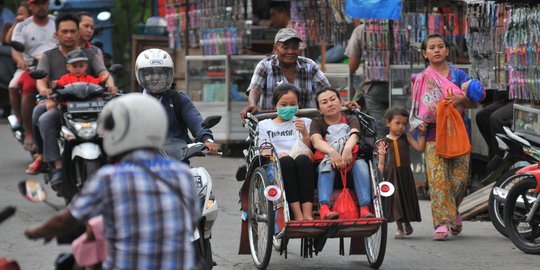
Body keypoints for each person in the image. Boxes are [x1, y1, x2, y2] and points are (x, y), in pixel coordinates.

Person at [25, 93, 200, 270]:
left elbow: (66, 221)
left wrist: (37, 231)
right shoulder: (182, 174)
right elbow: (191, 222)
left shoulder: (109, 178)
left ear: (119, 131)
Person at [28, 13, 115, 190]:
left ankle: (115, 160)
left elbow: (104, 73)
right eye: (64, 31)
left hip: (92, 106)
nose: (69, 35)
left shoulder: (90, 54)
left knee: (116, 118)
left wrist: (111, 85)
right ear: (56, 34)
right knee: (43, 118)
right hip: (61, 105)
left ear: (78, 32)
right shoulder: (49, 56)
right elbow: (41, 79)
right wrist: (45, 92)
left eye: (72, 31)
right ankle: (54, 164)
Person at [409, 34, 483, 241]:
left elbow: (474, 104)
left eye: (440, 46)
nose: (436, 50)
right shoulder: (421, 79)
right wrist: (419, 124)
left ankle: (453, 210)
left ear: (447, 50)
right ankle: (441, 223)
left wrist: (463, 98)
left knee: (459, 181)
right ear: (425, 54)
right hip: (433, 134)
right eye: (431, 47)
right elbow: (416, 107)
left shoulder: (459, 76)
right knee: (438, 180)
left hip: (458, 133)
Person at [135, 48, 219, 156]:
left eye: (161, 73)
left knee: (199, 173)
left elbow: (196, 122)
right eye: (150, 73)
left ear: (169, 74)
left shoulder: (178, 100)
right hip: (142, 163)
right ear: (141, 75)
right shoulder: (132, 102)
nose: (156, 77)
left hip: (177, 163)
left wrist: (207, 140)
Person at [310, 87, 374, 220]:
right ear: (319, 109)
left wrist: (346, 150)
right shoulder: (316, 122)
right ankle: (324, 208)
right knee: (325, 165)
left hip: (350, 169)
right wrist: (332, 152)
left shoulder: (351, 118)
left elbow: (354, 135)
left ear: (340, 102)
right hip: (328, 168)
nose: (330, 104)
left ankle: (364, 208)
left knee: (361, 164)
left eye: (333, 99)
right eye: (324, 102)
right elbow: (316, 142)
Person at [240, 27, 331, 119]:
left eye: (295, 47)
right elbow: (255, 88)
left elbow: (326, 89)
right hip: (272, 125)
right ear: (275, 49)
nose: (290, 52)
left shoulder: (309, 65)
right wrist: (252, 104)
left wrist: (341, 102)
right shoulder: (265, 65)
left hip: (304, 124)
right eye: (285, 47)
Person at [257, 83, 314, 220]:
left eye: (292, 103)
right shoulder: (264, 125)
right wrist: (275, 155)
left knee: (302, 159)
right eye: (283, 104)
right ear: (275, 105)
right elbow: (263, 151)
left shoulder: (305, 122)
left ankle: (307, 213)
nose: (288, 108)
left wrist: (305, 134)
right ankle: (298, 214)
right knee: (286, 162)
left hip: (303, 165)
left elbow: (311, 150)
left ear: (298, 104)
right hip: (278, 166)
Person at [8, 0, 56, 152]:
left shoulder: (58, 21)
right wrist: (20, 60)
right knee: (17, 87)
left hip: (58, 65)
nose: (41, 7)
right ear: (31, 7)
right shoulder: (23, 26)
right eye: (37, 3)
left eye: (44, 3)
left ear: (48, 5)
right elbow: (15, 47)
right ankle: (26, 129)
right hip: (31, 67)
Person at [378, 106, 426, 239]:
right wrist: (379, 178)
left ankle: (407, 222)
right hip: (391, 175)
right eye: (397, 123)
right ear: (388, 123)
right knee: (396, 200)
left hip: (405, 174)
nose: (401, 127)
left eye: (404, 124)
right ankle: (400, 228)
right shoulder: (383, 142)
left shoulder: (407, 137)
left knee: (407, 198)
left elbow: (419, 147)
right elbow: (381, 162)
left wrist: (422, 135)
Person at [345, 22, 390, 138]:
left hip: (374, 86)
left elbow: (352, 64)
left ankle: (382, 155)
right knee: (399, 124)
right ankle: (398, 154)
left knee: (380, 127)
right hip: (398, 84)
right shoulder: (398, 29)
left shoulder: (361, 30)